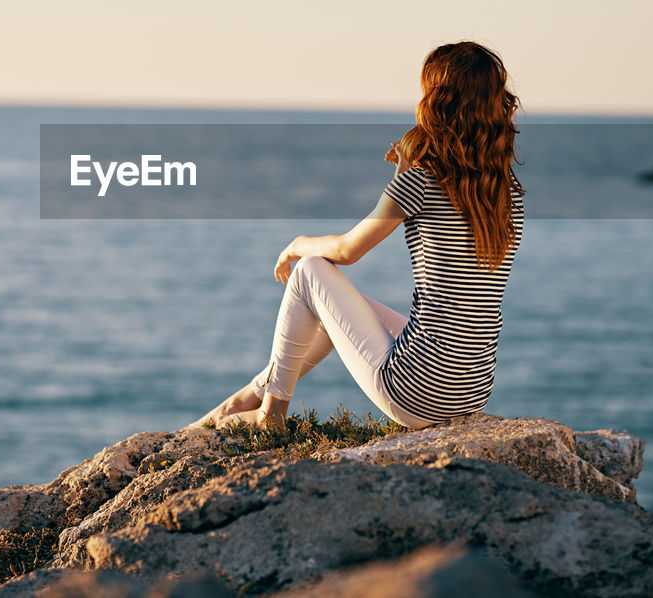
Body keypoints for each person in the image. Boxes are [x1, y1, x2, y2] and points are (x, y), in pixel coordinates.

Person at [192, 41, 525, 431]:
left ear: (439, 102)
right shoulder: (507, 195)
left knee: (310, 271)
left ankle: (271, 415)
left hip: (415, 393)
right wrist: (402, 177)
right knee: (340, 310)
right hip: (470, 393)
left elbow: (347, 251)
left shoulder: (422, 182)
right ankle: (244, 398)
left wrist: (297, 245)